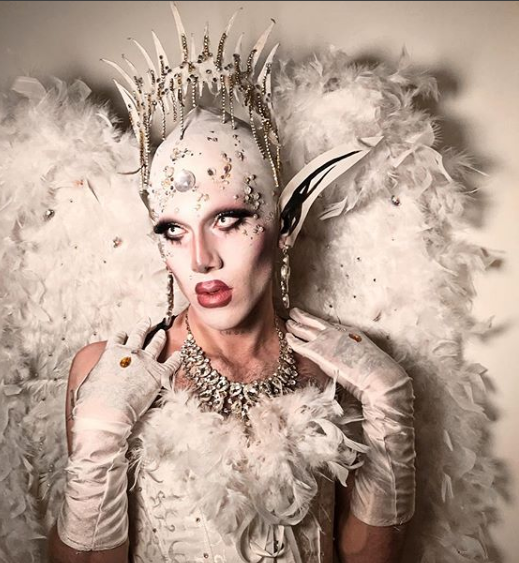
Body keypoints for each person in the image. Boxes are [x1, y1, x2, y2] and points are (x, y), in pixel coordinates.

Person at [48, 103, 416, 563]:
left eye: (227, 219)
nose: (202, 259)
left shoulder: (338, 366)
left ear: (284, 224)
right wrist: (99, 434)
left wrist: (389, 402)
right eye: (174, 230)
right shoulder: (105, 373)